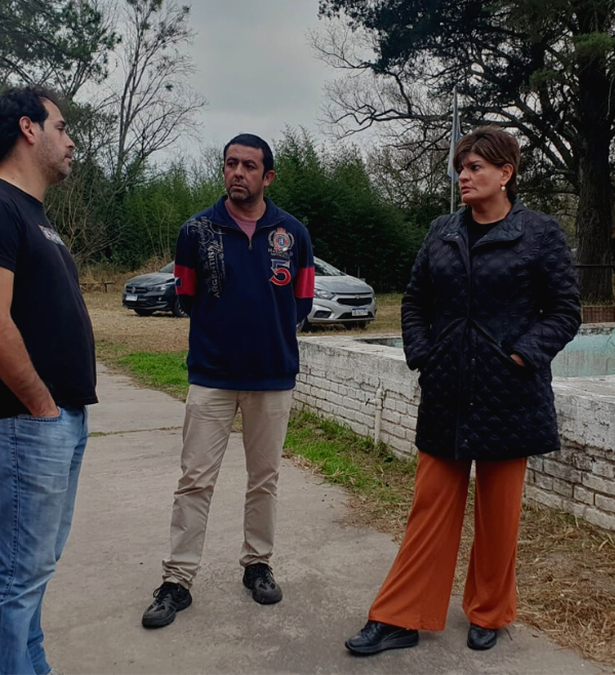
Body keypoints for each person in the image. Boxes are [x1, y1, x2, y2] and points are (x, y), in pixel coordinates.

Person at [345, 127, 581, 655]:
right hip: (447, 391)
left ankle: (490, 611)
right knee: (429, 509)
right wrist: (425, 355)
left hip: (509, 396)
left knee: (500, 516)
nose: (464, 175)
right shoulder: (441, 232)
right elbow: (415, 301)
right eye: (461, 166)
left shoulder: (539, 233)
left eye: (476, 166)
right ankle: (400, 616)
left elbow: (565, 310)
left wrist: (520, 354)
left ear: (506, 173)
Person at [0, 86, 95, 675]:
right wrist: (41, 407)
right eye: (62, 126)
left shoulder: (33, 214)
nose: (71, 139)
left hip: (53, 421)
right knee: (15, 577)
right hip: (23, 422)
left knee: (32, 572)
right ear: (28, 130)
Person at [141, 133, 315, 629]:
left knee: (265, 480)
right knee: (194, 480)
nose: (238, 172)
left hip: (273, 376)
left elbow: (301, 303)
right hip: (212, 376)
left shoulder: (293, 234)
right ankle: (177, 580)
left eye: (249, 166)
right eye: (231, 164)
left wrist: (266, 335)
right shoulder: (196, 231)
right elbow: (188, 296)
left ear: (268, 176)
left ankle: (257, 565)